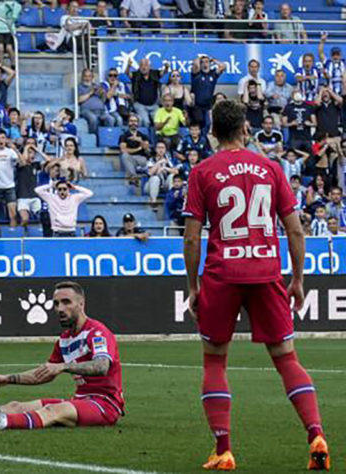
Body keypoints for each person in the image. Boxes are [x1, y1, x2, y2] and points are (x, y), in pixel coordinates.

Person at [182, 99, 329, 470]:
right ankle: (315, 434)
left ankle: (224, 449)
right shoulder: (271, 168)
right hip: (266, 273)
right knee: (287, 359)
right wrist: (296, 278)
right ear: (246, 129)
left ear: (213, 133)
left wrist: (193, 286)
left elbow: (191, 238)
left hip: (222, 274)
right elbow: (295, 228)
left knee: (215, 360)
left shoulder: (201, 172)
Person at [0, 281, 124, 431]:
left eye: (66, 302)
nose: (60, 309)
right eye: (56, 304)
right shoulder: (64, 339)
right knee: (16, 405)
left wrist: (64, 366)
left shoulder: (97, 332)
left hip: (105, 404)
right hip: (81, 399)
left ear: (81, 304)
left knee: (54, 411)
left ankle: (1, 422)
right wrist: (8, 379)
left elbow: (101, 366)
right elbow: (43, 373)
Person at [125, 57, 168, 128]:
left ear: (149, 66)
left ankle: (158, 138)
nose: (143, 67)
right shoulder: (136, 75)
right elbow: (127, 73)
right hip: (140, 104)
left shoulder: (155, 74)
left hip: (153, 105)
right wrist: (128, 66)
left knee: (159, 122)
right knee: (146, 122)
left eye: (146, 65)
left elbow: (164, 72)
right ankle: (146, 138)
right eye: (141, 65)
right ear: (139, 66)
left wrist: (166, 67)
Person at [191, 55, 226, 135]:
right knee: (199, 123)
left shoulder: (213, 74)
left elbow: (223, 66)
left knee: (208, 124)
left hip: (208, 105)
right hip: (197, 105)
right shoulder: (196, 74)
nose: (204, 64)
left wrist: (213, 60)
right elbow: (195, 64)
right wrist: (200, 58)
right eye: (202, 62)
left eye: (206, 62)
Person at [77, 69, 110, 134]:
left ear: (92, 77)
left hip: (101, 111)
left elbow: (103, 100)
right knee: (93, 119)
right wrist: (91, 92)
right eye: (85, 76)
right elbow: (79, 100)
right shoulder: (79, 87)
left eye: (89, 76)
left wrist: (103, 93)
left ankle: (106, 139)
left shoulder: (97, 86)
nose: (87, 78)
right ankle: (93, 138)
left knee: (110, 119)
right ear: (82, 77)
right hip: (87, 110)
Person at [0, 0, 20, 67]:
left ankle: (13, 65)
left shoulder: (15, 4)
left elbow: (15, 15)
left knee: (9, 48)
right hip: (0, 30)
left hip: (10, 29)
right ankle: (1, 66)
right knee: (0, 48)